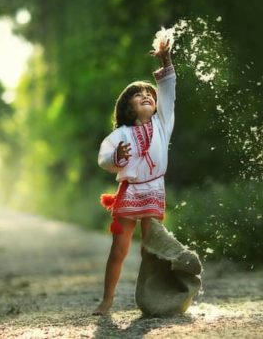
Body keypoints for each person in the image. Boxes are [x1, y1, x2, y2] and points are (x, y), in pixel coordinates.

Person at [93, 35, 175, 315]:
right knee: (119, 249)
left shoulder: (163, 124)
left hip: (154, 190)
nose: (147, 96)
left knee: (149, 250)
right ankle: (107, 300)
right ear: (129, 109)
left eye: (149, 94)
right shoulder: (121, 134)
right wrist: (117, 159)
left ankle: (150, 300)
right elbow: (104, 157)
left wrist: (166, 60)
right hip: (130, 192)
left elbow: (168, 92)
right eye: (139, 96)